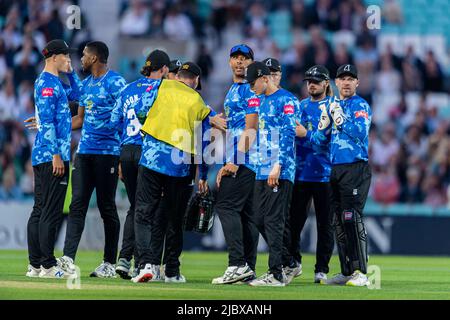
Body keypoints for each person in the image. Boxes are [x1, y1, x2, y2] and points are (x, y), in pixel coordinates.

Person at [130, 54, 212, 284]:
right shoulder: (199, 104)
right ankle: (172, 271)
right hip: (179, 166)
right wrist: (203, 174)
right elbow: (204, 143)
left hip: (151, 159)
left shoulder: (159, 86)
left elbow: (140, 110)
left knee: (145, 212)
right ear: (195, 80)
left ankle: (147, 264)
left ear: (178, 76)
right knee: (174, 218)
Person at [58, 41, 127, 278]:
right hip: (85, 152)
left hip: (108, 153)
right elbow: (79, 120)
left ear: (95, 58)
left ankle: (109, 262)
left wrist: (121, 159)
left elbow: (126, 121)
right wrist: (55, 125)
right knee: (77, 204)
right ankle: (67, 259)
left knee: (107, 207)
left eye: (85, 55)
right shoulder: (85, 85)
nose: (82, 59)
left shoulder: (116, 82)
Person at [26, 39, 80, 279]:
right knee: (50, 210)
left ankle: (35, 264)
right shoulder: (48, 84)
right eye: (66, 56)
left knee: (40, 209)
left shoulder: (53, 83)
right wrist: (56, 155)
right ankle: (47, 265)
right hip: (52, 155)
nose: (69, 59)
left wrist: (73, 73)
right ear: (54, 57)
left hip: (45, 154)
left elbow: (79, 97)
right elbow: (47, 122)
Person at [244, 61, 298, 287]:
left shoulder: (286, 100)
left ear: (265, 78)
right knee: (258, 217)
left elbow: (288, 134)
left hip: (278, 169)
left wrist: (279, 165)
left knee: (274, 220)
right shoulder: (260, 101)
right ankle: (289, 262)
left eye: (253, 82)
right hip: (260, 168)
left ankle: (276, 273)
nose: (250, 87)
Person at [211, 44, 261, 285]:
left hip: (245, 159)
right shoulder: (234, 90)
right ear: (229, 62)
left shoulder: (251, 89)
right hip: (242, 158)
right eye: (236, 58)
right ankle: (248, 268)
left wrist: (235, 161)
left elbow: (252, 128)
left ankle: (237, 264)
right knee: (246, 215)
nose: (240, 62)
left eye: (245, 58)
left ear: (252, 62)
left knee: (227, 207)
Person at [282, 65, 335, 285]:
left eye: (316, 81)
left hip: (325, 174)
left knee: (325, 224)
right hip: (301, 174)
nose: (311, 84)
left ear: (325, 83)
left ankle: (321, 269)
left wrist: (306, 134)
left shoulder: (333, 107)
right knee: (294, 223)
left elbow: (330, 141)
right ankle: (294, 262)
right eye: (309, 81)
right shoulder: (300, 106)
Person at [322, 64, 372, 287]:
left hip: (355, 167)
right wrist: (320, 127)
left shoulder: (360, 105)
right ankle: (346, 271)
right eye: (342, 78)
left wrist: (340, 119)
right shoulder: (332, 106)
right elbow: (318, 142)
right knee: (338, 221)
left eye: (351, 79)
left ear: (357, 83)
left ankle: (361, 271)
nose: (347, 82)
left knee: (351, 217)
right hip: (335, 169)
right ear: (336, 82)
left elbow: (361, 133)